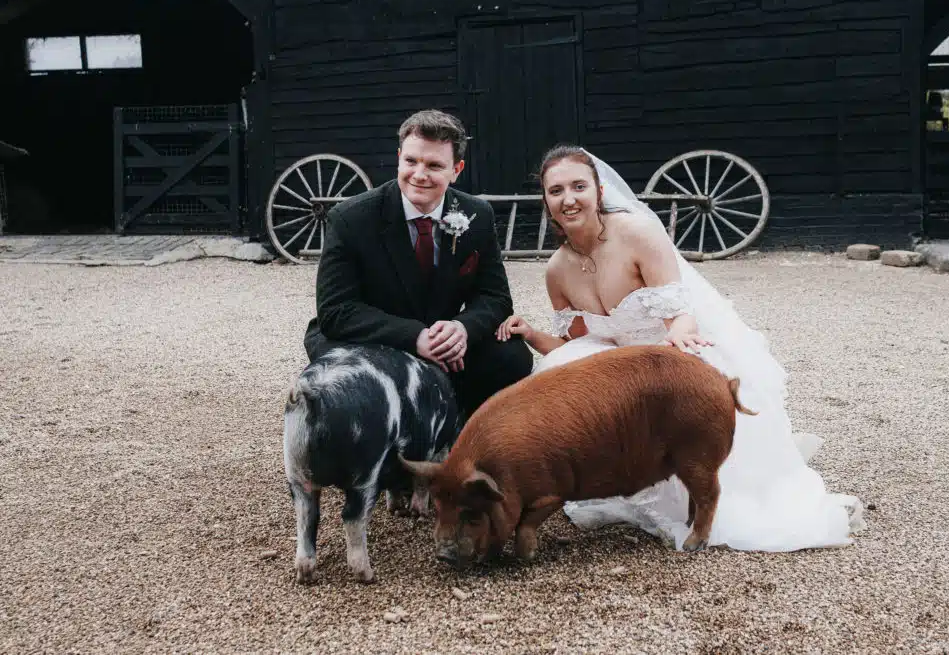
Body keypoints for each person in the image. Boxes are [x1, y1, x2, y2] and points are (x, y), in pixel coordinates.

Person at [495, 144, 865, 552]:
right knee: (559, 373)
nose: (569, 199)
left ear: (599, 191)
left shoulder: (637, 233)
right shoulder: (557, 270)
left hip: (667, 345)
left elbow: (680, 313)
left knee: (689, 389)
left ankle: (711, 491)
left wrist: (678, 339)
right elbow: (577, 343)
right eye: (556, 191)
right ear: (546, 201)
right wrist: (529, 333)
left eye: (579, 186)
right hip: (621, 366)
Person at [303, 110, 534, 417]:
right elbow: (336, 311)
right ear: (399, 157)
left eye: (434, 165)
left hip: (442, 333)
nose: (419, 174)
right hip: (375, 336)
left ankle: (459, 429)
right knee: (362, 383)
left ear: (457, 169)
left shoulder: (476, 215)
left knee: (512, 357)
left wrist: (461, 329)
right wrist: (415, 337)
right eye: (411, 161)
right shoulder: (350, 218)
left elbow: (496, 297)